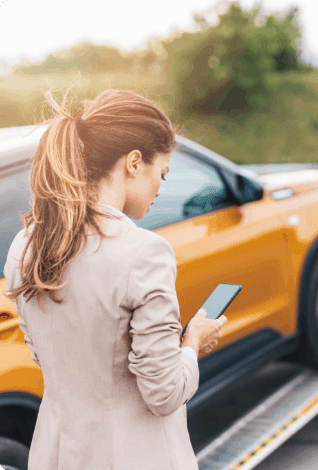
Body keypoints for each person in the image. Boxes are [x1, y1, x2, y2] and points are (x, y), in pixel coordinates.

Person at [3, 88, 227, 469]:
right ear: (134, 162)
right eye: (163, 173)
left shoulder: (24, 245)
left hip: (56, 454)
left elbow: (46, 351)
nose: (161, 188)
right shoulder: (145, 252)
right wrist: (191, 344)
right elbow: (165, 393)